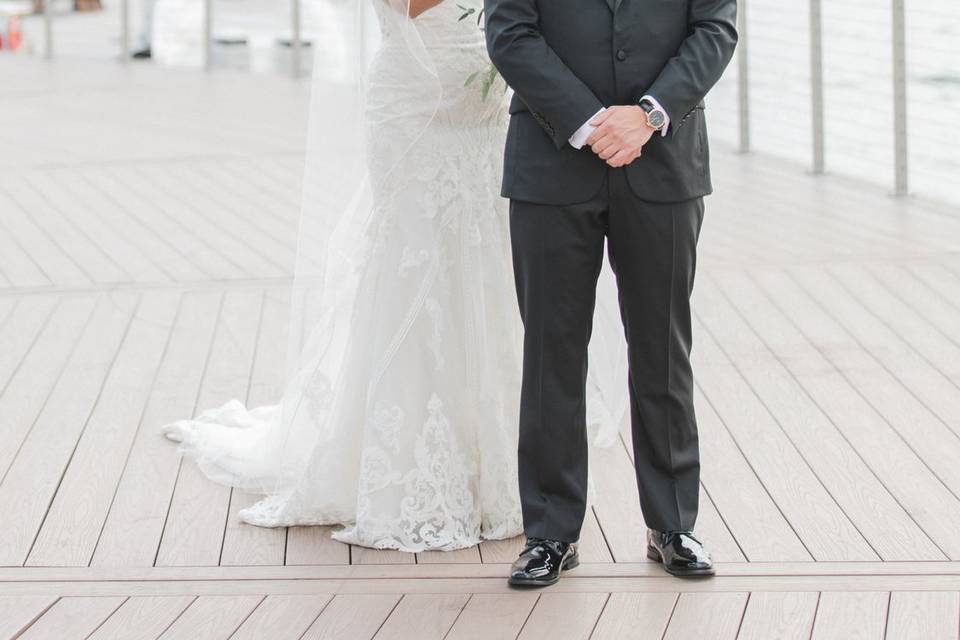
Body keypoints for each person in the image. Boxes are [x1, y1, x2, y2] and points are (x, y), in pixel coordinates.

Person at [160, 0, 626, 553]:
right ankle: (413, 464)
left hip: (487, 106)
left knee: (489, 270)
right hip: (415, 109)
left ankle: (501, 464)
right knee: (419, 270)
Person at [483, 0, 738, 586]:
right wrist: (589, 120)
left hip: (665, 160)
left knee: (663, 349)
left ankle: (673, 524)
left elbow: (715, 29)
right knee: (552, 351)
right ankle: (551, 532)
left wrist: (648, 114)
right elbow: (510, 31)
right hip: (551, 162)